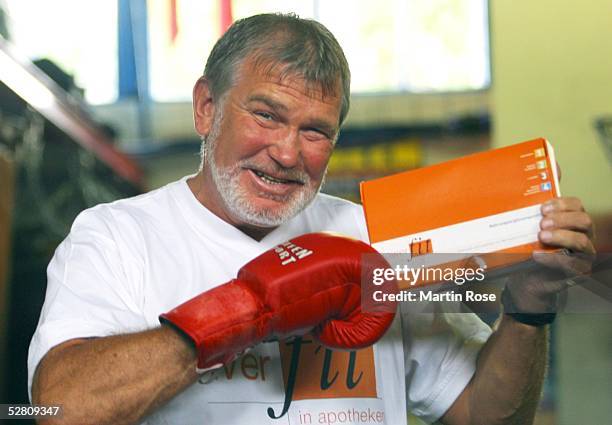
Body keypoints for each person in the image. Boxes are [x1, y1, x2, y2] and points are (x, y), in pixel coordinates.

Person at [28, 13, 595, 425]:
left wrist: (530, 309)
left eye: (316, 131)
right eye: (266, 115)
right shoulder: (115, 237)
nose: (287, 152)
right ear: (206, 108)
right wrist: (245, 310)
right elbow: (59, 410)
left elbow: (484, 416)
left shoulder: (378, 241)